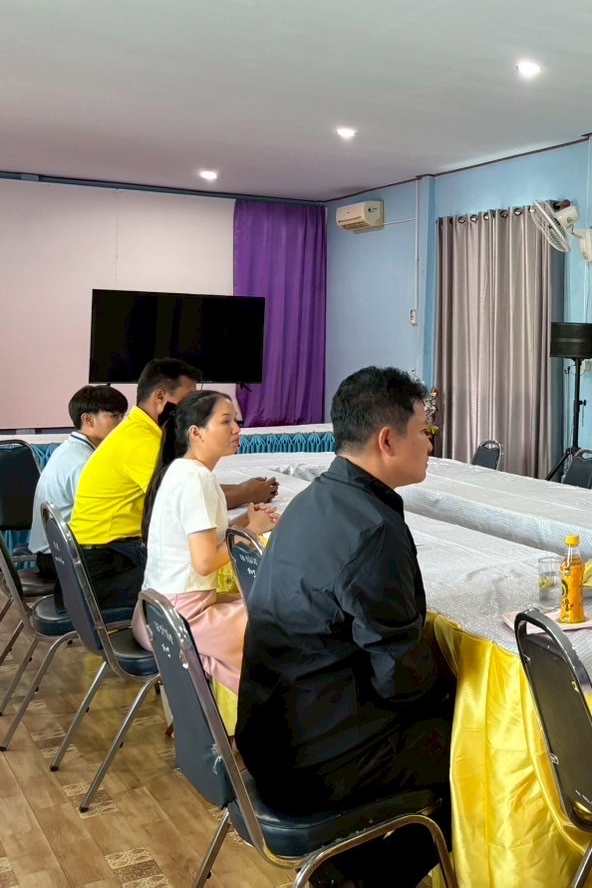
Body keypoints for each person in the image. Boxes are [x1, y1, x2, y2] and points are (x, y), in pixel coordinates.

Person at [238, 366, 454, 887]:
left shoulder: (314, 500)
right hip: (318, 763)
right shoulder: (373, 530)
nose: (430, 443)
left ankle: (344, 870)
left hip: (269, 739)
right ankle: (361, 879)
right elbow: (401, 680)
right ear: (387, 439)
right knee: (485, 751)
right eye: (424, 430)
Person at [69, 358, 278, 615]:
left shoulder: (147, 436)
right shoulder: (141, 442)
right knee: (258, 604)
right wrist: (249, 514)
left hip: (114, 553)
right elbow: (203, 554)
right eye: (190, 398)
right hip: (108, 563)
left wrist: (245, 515)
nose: (236, 430)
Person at [131, 390, 277, 693]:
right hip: (182, 619)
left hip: (155, 612)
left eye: (236, 421)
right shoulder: (197, 479)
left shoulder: (180, 471)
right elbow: (205, 561)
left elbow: (205, 540)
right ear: (196, 433)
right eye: (226, 422)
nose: (237, 429)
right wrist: (253, 530)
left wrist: (245, 521)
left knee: (265, 610)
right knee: (282, 625)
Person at [28, 385, 129, 582]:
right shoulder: (82, 463)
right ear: (88, 419)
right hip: (61, 559)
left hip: (56, 553)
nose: (122, 423)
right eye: (115, 416)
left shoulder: (73, 450)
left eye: (122, 416)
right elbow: (103, 516)